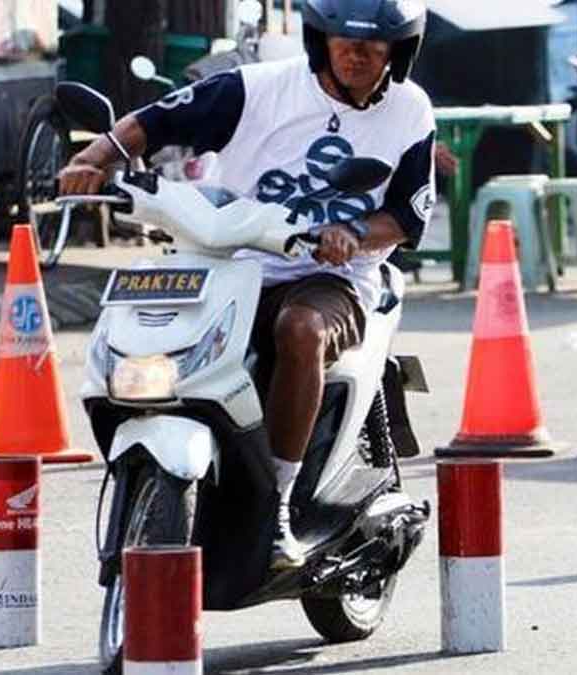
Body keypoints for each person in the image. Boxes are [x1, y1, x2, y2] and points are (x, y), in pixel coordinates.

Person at [60, 0, 435, 570]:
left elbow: (406, 217)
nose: (356, 56)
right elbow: (156, 121)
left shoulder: (409, 111)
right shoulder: (259, 88)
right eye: (343, 42)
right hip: (231, 259)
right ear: (320, 41)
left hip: (329, 276)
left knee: (300, 329)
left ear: (398, 51)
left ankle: (279, 502)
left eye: (373, 46)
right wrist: (92, 159)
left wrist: (354, 232)